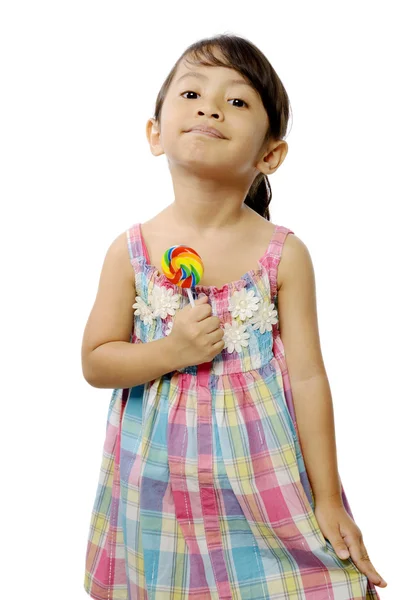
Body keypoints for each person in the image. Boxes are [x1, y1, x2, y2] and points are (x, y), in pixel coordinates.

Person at [82, 33, 387, 599]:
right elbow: (97, 362)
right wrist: (169, 353)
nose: (210, 107)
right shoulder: (131, 252)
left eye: (238, 101)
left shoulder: (283, 255)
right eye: (192, 92)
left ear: (270, 154)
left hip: (264, 480)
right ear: (155, 133)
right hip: (157, 485)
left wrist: (326, 497)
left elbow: (308, 377)